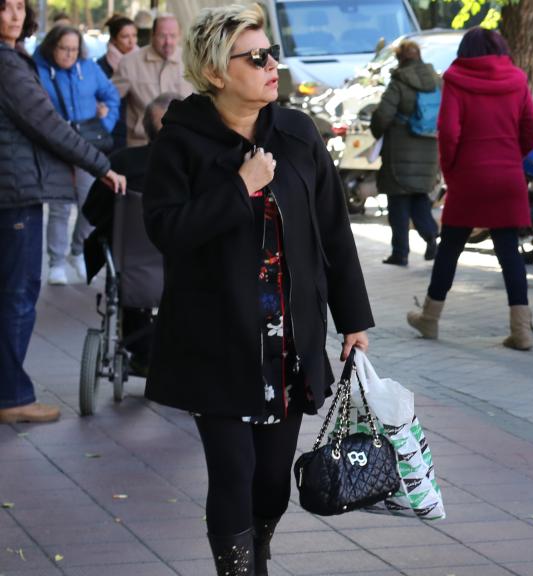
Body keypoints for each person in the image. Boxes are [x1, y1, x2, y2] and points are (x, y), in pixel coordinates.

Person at [142, 5, 373, 573]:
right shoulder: (182, 142)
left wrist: (354, 321)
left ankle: (258, 551)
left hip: (286, 342)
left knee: (272, 480)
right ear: (218, 73)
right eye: (257, 57)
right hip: (214, 342)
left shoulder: (296, 134)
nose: (273, 65)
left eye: (271, 53)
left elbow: (334, 234)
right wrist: (238, 189)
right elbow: (166, 230)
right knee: (233, 473)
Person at [0, 0, 125, 424]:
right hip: (15, 191)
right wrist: (101, 165)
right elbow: (46, 123)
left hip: (13, 187)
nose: (15, 16)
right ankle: (12, 396)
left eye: (20, 7)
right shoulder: (8, 64)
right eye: (5, 8)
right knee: (17, 294)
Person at [406, 28, 533, 351]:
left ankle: (430, 318)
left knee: (450, 247)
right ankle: (521, 331)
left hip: (469, 176)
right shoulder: (517, 79)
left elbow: (449, 131)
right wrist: (511, 157)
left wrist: (451, 169)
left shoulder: (456, 79)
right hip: (508, 176)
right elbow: (531, 130)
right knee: (509, 252)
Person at [82, 92, 176, 376]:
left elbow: (91, 213)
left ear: (146, 128)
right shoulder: (201, 169)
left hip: (133, 271)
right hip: (187, 273)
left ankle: (142, 353)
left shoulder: (121, 163)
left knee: (124, 263)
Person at [33, 25, 121, 285]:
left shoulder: (89, 68)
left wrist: (103, 126)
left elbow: (112, 97)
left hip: (86, 148)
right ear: (52, 46)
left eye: (74, 49)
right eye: (64, 48)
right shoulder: (38, 71)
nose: (69, 54)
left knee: (89, 202)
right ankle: (57, 262)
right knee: (60, 207)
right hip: (54, 148)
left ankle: (77, 250)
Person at [370, 39, 440, 266]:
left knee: (398, 201)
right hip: (429, 147)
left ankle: (400, 253)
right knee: (419, 196)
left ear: (400, 58)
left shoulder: (399, 81)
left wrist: (377, 131)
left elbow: (383, 115)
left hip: (399, 149)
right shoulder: (437, 81)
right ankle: (431, 238)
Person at [113, 12, 191, 146]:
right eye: (162, 36)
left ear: (180, 36)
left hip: (183, 145)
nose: (168, 42)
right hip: (141, 144)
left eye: (173, 36)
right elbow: (109, 98)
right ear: (152, 35)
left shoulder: (191, 62)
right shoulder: (130, 63)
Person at [97, 14, 138, 151]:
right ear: (114, 40)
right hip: (114, 129)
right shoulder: (101, 66)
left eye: (134, 35)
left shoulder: (142, 61)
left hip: (138, 129)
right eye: (125, 37)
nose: (131, 41)